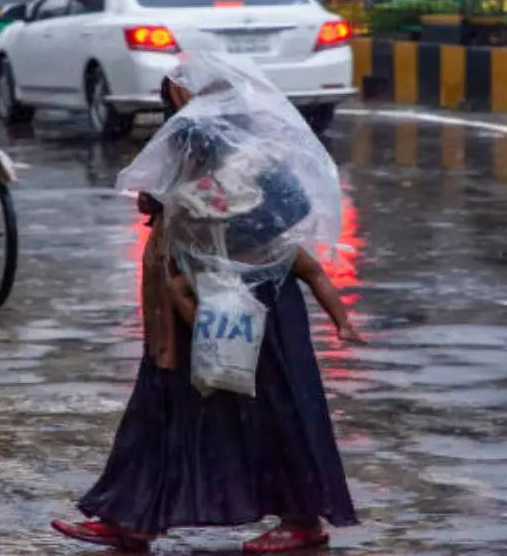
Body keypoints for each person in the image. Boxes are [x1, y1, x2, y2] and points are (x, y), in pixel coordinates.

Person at [52, 56, 362, 553]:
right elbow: (156, 210)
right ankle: (130, 516)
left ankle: (303, 520)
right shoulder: (184, 142)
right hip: (184, 306)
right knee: (160, 406)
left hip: (255, 304)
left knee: (276, 407)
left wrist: (230, 252)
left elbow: (291, 217)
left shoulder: (249, 153)